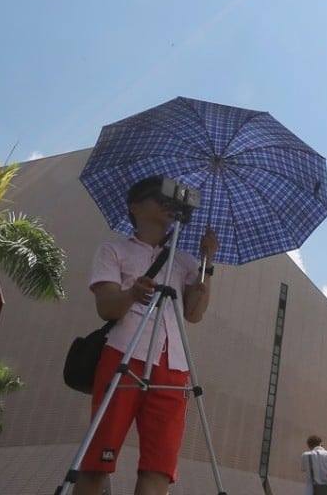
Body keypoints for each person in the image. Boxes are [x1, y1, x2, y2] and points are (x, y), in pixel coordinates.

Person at [73, 176, 218, 495]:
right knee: (98, 459)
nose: (168, 204)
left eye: (172, 200)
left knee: (159, 467)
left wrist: (207, 262)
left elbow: (194, 314)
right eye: (159, 197)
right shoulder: (114, 250)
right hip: (124, 355)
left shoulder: (185, 261)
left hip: (174, 366)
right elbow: (107, 307)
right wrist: (131, 294)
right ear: (134, 207)